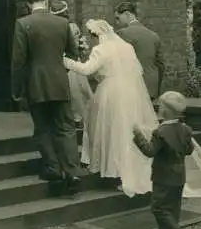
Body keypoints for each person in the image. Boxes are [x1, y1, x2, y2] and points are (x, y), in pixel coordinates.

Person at [63, 19, 159, 196]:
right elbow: (137, 70)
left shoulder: (101, 49)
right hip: (130, 91)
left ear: (97, 35)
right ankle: (126, 168)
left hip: (111, 92)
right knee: (126, 128)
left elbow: (86, 69)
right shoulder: (127, 47)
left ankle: (114, 169)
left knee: (110, 129)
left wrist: (66, 61)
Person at [11, 0, 81, 196]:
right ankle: (72, 171)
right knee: (66, 128)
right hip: (60, 83)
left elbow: (18, 61)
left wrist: (17, 89)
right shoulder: (62, 23)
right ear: (47, 2)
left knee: (42, 128)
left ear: (29, 4)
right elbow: (73, 53)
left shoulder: (23, 24)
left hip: (36, 84)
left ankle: (53, 169)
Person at [132, 91, 194, 229]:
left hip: (163, 176)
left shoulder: (160, 132)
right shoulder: (186, 129)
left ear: (166, 111)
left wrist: (138, 135)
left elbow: (150, 151)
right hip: (179, 175)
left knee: (159, 208)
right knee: (173, 210)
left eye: (161, 106)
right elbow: (189, 150)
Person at [50, 1, 94, 129]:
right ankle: (78, 117)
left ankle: (73, 117)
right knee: (77, 91)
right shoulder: (71, 26)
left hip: (63, 61)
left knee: (73, 90)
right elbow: (75, 45)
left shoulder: (55, 27)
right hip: (72, 61)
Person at [114, 2, 165, 100]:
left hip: (131, 87)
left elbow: (117, 62)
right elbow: (161, 65)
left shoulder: (122, 33)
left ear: (127, 14)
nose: (117, 22)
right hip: (151, 86)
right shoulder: (154, 35)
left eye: (118, 18)